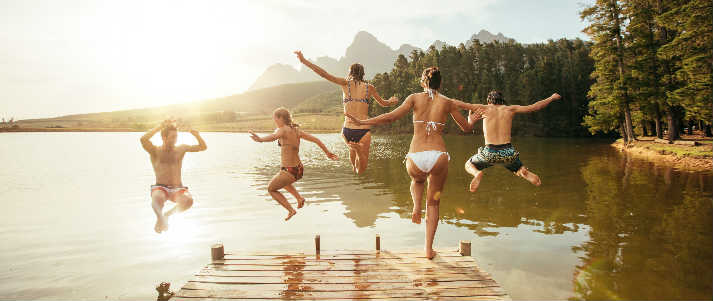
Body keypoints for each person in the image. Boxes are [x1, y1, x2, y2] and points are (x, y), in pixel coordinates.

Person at [346, 67, 483, 259]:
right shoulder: (448, 102)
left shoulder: (414, 98)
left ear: (422, 83)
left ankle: (416, 206)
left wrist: (363, 122)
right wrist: (471, 119)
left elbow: (390, 117)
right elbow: (466, 128)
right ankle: (428, 249)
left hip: (416, 156)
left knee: (417, 180)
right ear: (440, 84)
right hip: (438, 155)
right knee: (434, 204)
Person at [295, 50, 398, 174]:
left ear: (350, 72)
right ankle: (359, 151)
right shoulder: (369, 88)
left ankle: (355, 152)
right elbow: (383, 103)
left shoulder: (345, 84)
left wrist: (304, 61)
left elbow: (324, 74)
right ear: (363, 74)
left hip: (347, 129)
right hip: (363, 130)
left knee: (353, 163)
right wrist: (392, 101)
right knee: (361, 170)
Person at [453, 90, 561, 192]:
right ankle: (523, 171)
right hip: (508, 153)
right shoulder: (510, 109)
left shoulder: (483, 108)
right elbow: (534, 107)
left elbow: (462, 104)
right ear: (502, 100)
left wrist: (445, 100)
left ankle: (477, 174)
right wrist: (551, 97)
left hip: (490, 153)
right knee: (517, 168)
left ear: (489, 101)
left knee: (468, 164)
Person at [249, 107, 338, 221]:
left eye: (275, 119)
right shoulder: (296, 130)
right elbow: (316, 139)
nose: (275, 121)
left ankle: (291, 210)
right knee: (282, 181)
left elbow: (273, 137)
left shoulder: (282, 129)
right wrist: (327, 153)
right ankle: (299, 198)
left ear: (281, 118)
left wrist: (260, 139)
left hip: (289, 170)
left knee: (271, 189)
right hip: (299, 169)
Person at [140, 119, 207, 233]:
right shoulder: (154, 150)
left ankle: (166, 215)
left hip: (178, 188)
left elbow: (202, 147)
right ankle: (160, 218)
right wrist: (160, 126)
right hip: (161, 187)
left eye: (176, 137)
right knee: (158, 198)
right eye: (172, 137)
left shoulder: (181, 149)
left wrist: (196, 135)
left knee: (188, 201)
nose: (175, 140)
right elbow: (143, 139)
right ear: (164, 137)